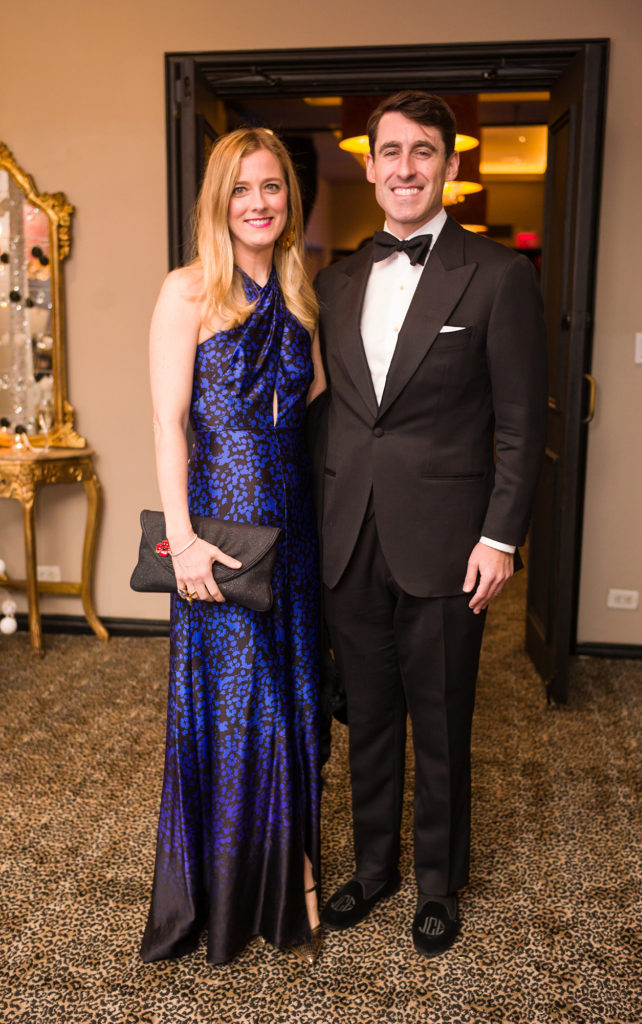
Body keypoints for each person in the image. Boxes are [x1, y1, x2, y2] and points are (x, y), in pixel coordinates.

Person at [315, 91, 547, 957]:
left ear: (449, 167)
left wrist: (500, 538)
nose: (404, 168)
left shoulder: (496, 277)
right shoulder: (336, 281)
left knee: (443, 718)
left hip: (451, 544)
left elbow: (522, 423)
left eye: (423, 152)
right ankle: (373, 868)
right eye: (389, 153)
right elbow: (331, 417)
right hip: (348, 536)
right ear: (368, 167)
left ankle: (438, 882)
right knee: (368, 714)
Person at [140, 127, 326, 966]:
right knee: (231, 709)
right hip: (217, 534)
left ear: (290, 198)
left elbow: (314, 395)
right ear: (219, 200)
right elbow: (166, 423)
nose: (259, 203)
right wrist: (181, 541)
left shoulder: (298, 289)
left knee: (291, 703)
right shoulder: (187, 291)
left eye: (273, 187)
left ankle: (292, 877)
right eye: (242, 189)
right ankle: (222, 892)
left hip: (292, 529)